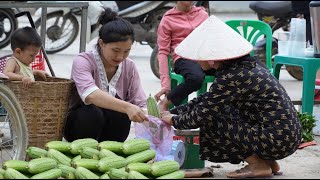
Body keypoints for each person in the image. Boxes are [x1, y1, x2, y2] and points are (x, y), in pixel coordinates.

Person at [160, 15, 302, 178]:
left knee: (213, 118)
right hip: (286, 136)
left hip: (277, 139)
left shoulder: (231, 76)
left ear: (213, 57)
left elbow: (203, 113)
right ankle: (268, 162)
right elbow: (206, 100)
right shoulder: (248, 65)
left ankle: (257, 165)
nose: (197, 61)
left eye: (200, 56)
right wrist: (176, 111)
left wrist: (173, 120)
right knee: (222, 110)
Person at [63, 7, 148, 143]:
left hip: (110, 131)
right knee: (92, 113)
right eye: (115, 50)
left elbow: (140, 101)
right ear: (102, 43)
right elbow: (90, 94)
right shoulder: (83, 61)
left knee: (120, 115)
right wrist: (127, 107)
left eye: (126, 51)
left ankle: (110, 151)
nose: (120, 56)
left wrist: (153, 113)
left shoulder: (129, 66)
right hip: (80, 125)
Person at [155, 1, 210, 111]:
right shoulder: (168, 19)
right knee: (196, 78)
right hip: (183, 58)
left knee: (232, 70)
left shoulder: (203, 15)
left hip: (205, 57)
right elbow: (163, 53)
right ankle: (166, 102)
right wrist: (165, 85)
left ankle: (211, 109)